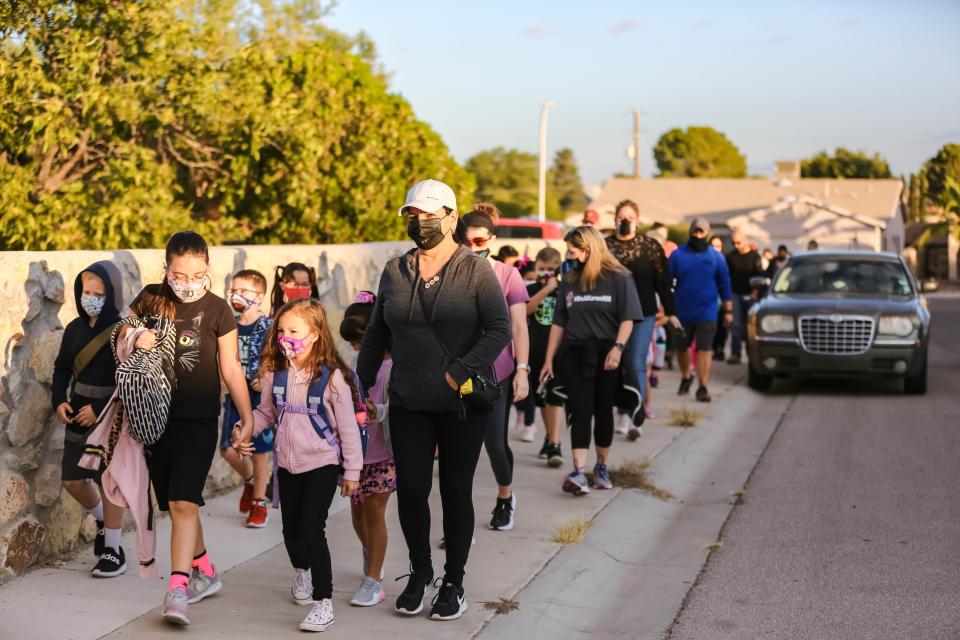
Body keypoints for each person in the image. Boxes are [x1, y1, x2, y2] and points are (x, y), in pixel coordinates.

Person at [356, 179, 511, 621]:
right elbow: (376, 335)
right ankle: (420, 573)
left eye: (428, 214)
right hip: (408, 401)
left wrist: (458, 369)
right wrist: (357, 386)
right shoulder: (395, 270)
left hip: (461, 404)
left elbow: (498, 329)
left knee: (455, 491)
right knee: (411, 491)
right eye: (413, 215)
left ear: (450, 216)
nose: (420, 222)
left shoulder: (475, 270)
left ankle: (454, 582)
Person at [126, 231, 254, 626]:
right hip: (153, 419)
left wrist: (246, 417)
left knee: (183, 502)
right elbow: (121, 340)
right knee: (176, 504)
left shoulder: (219, 310)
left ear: (207, 268)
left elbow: (230, 368)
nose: (187, 282)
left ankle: (177, 588)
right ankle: (205, 569)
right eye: (179, 274)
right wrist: (134, 336)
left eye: (196, 274)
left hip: (198, 419)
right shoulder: (149, 298)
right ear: (167, 269)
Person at [234, 298, 363, 632]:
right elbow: (265, 413)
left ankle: (323, 603)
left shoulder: (332, 378)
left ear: (316, 334)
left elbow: (348, 428)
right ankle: (302, 572)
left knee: (311, 529)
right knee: (290, 531)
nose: (285, 337)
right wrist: (245, 428)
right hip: (287, 465)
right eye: (281, 331)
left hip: (322, 462)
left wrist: (352, 472)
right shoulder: (275, 373)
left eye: (294, 331)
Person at [541, 226, 642, 496]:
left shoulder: (619, 277)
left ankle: (601, 466)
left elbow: (628, 318)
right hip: (576, 353)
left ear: (588, 250)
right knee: (581, 410)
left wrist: (618, 349)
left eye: (572, 251)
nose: (568, 256)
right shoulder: (570, 278)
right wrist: (549, 359)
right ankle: (578, 471)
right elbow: (559, 322)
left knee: (603, 410)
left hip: (608, 353)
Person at [51, 261, 127, 577]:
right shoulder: (74, 329)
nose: (90, 298)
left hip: (109, 416)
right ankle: (100, 521)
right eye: (86, 291)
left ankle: (113, 550)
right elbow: (62, 370)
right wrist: (59, 401)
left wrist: (98, 408)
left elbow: (127, 378)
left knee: (108, 482)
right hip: (77, 416)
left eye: (98, 293)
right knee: (72, 479)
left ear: (112, 296)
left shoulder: (124, 332)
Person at [463, 209, 530, 532]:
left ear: (491, 239)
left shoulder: (507, 275)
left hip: (496, 372)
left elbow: (519, 326)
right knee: (460, 449)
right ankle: (459, 524)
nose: (473, 246)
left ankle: (505, 497)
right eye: (466, 240)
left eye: (479, 240)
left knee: (494, 443)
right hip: (458, 372)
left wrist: (522, 369)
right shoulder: (452, 272)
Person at [605, 199, 679, 441]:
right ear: (615, 218)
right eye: (621, 216)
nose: (625, 220)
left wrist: (671, 311)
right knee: (616, 361)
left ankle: (634, 413)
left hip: (643, 313)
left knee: (636, 361)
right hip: (613, 313)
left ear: (638, 220)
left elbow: (664, 280)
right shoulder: (606, 246)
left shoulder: (650, 246)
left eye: (630, 217)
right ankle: (620, 410)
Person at [339, 291, 396, 608]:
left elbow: (400, 406)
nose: (356, 348)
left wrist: (380, 411)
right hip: (355, 453)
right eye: (352, 343)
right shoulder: (355, 363)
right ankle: (372, 551)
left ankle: (373, 579)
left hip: (382, 453)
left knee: (375, 513)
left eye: (359, 340)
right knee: (358, 514)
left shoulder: (395, 366)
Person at [218, 269, 273, 528]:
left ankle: (259, 502)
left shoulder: (268, 327)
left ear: (259, 297)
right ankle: (250, 480)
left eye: (243, 291)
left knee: (260, 453)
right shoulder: (229, 324)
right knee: (228, 449)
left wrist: (266, 377)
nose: (236, 296)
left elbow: (278, 359)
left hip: (258, 398)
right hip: (233, 396)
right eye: (233, 290)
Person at [668, 218, 733, 403]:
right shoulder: (678, 255)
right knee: (683, 349)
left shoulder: (716, 257)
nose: (698, 235)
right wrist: (668, 307)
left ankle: (703, 386)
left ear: (707, 233)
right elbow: (666, 281)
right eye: (695, 232)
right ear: (691, 232)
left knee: (705, 349)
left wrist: (728, 310)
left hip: (708, 311)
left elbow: (725, 284)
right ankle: (686, 375)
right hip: (682, 311)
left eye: (702, 232)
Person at [524, 248, 566, 467]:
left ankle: (556, 444)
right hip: (535, 352)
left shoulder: (564, 290)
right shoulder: (530, 288)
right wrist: (545, 290)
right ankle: (550, 437)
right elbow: (527, 310)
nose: (546, 274)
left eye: (551, 270)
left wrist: (554, 288)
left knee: (555, 397)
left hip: (558, 352)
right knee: (541, 399)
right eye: (542, 269)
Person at [725, 231, 765, 365]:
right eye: (733, 243)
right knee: (735, 325)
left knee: (750, 327)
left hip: (750, 295)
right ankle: (735, 354)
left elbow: (759, 275)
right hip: (735, 294)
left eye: (738, 242)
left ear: (745, 240)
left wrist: (755, 292)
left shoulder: (755, 256)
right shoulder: (730, 257)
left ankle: (750, 354)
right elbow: (726, 277)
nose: (736, 245)